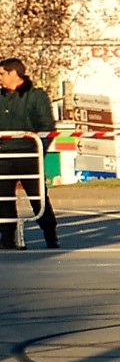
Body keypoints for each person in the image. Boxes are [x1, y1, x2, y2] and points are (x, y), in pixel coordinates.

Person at [0, 58, 57, 250]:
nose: (0, 78)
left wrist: (39, 151)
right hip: (3, 157)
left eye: (2, 74)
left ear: (14, 73)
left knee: (38, 197)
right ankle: (8, 239)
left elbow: (47, 126)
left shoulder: (36, 96)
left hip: (29, 155)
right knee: (3, 199)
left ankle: (51, 236)